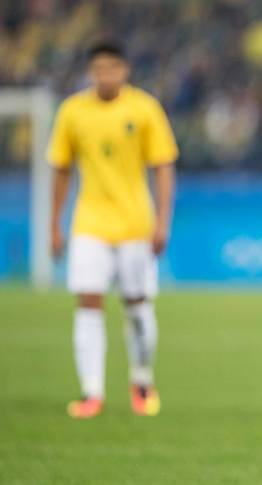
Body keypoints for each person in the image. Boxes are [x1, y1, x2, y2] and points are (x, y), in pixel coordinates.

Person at [47, 40, 178, 419]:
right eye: (100, 68)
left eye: (113, 68)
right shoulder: (73, 111)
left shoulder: (144, 108)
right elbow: (60, 169)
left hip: (136, 224)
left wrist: (162, 221)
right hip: (89, 222)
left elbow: (164, 165)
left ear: (125, 70)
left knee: (137, 306)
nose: (107, 75)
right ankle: (92, 392)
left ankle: (141, 378)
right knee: (88, 302)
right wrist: (55, 225)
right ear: (92, 71)